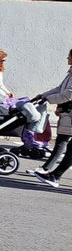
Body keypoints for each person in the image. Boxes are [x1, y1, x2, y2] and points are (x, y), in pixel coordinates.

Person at [31, 47, 72, 188]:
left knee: (66, 145)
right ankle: (52, 174)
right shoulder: (70, 74)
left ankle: (53, 175)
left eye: (69, 56)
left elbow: (68, 95)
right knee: (65, 144)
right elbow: (60, 89)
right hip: (68, 114)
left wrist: (49, 99)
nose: (67, 58)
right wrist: (44, 96)